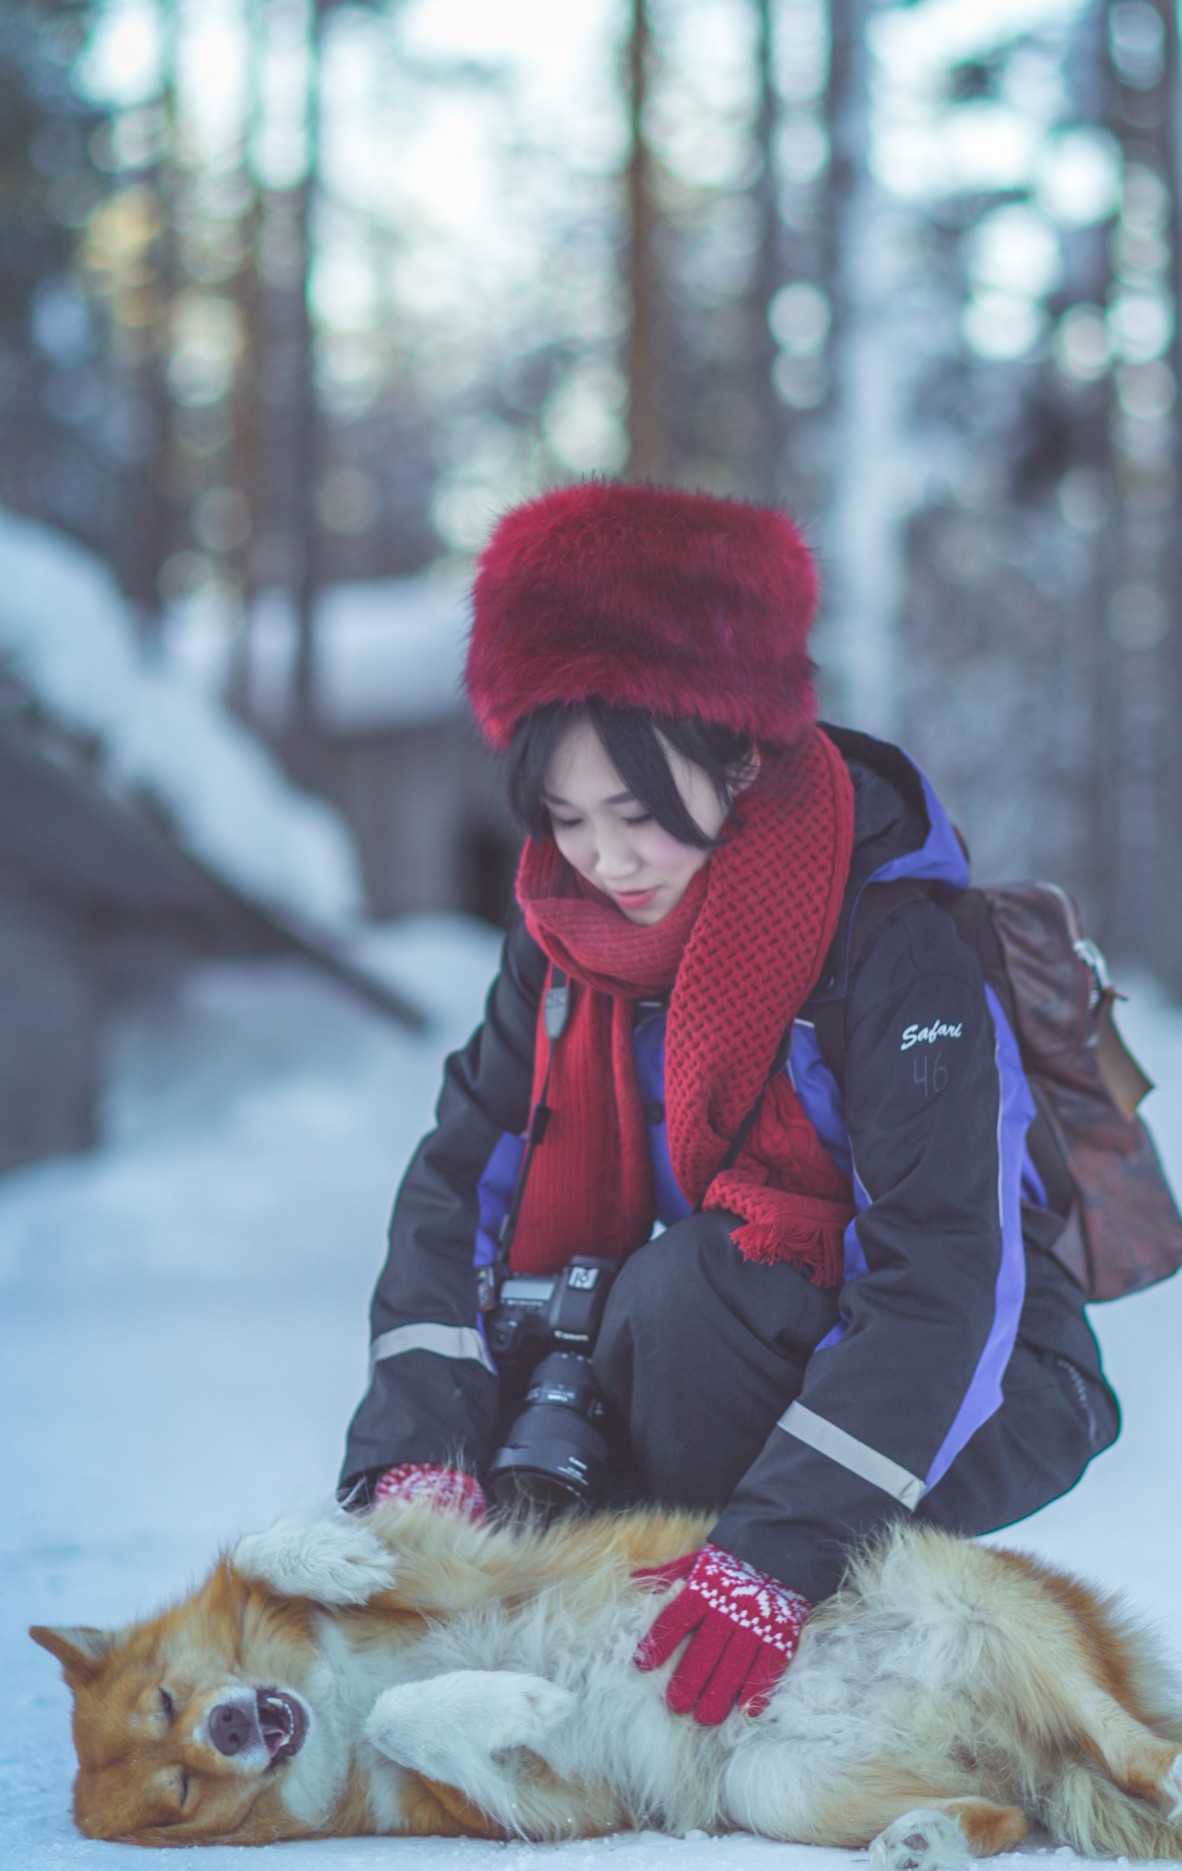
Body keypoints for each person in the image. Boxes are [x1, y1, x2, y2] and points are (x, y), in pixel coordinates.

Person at [338, 480, 1119, 1727]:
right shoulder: (564, 936)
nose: (604, 859)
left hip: (980, 1379)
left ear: (739, 757)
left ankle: (750, 1606)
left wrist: (774, 1554)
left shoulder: (894, 938)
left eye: (638, 815)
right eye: (567, 816)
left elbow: (947, 1276)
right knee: (552, 1392)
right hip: (747, 1346)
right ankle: (651, 1589)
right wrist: (417, 1450)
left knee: (688, 1290)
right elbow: (458, 1186)